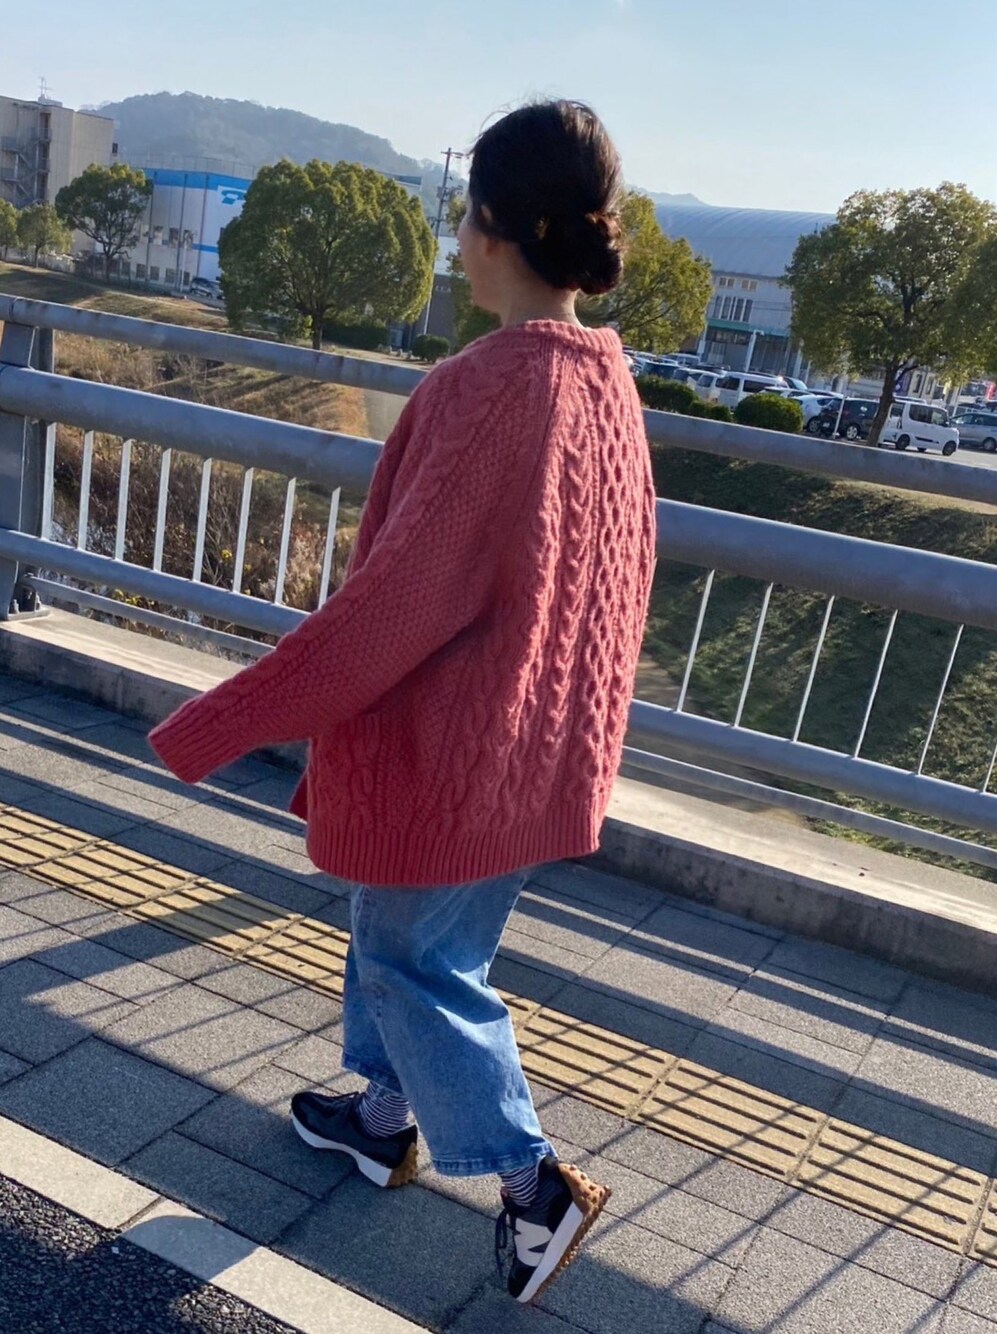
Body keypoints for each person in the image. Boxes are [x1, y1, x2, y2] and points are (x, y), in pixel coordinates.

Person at [150, 98, 656, 1304]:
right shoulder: (604, 380)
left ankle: (533, 1184)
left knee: (409, 958)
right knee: (421, 936)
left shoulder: (488, 388)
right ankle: (382, 1116)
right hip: (537, 744)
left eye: (460, 217)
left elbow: (388, 613)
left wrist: (218, 720)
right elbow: (620, 574)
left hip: (453, 746)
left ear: (489, 228)